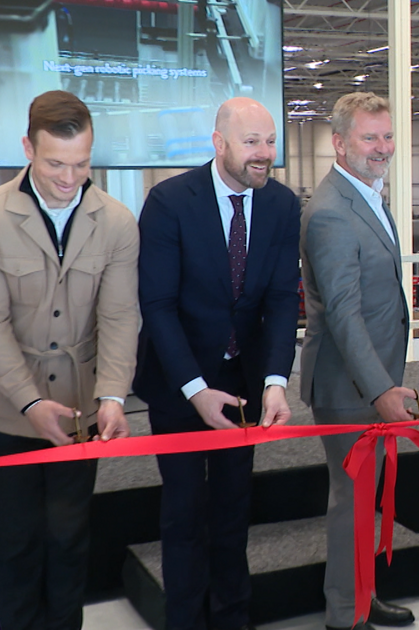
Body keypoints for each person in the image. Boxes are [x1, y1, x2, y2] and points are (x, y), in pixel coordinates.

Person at [0, 90, 139, 629]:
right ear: (27, 148)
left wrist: (112, 396)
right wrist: (30, 401)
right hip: (5, 411)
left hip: (80, 408)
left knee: (68, 539)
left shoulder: (116, 222)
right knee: (14, 543)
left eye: (82, 164)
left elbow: (120, 317)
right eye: (55, 163)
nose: (69, 178)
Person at [134, 97, 301, 630]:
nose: (265, 153)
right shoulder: (169, 202)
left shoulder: (281, 204)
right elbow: (157, 306)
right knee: (185, 517)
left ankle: (232, 618)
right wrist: (195, 390)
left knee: (232, 514)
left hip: (244, 385)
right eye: (252, 141)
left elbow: (279, 300)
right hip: (178, 384)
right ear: (219, 142)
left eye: (270, 141)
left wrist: (275, 381)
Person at [299, 92, 418, 630]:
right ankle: (345, 615)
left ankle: (361, 598)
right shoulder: (330, 212)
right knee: (350, 503)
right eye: (370, 138)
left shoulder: (366, 194)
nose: (382, 147)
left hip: (370, 379)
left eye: (387, 136)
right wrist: (380, 390)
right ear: (340, 143)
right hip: (350, 387)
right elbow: (344, 315)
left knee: (362, 500)